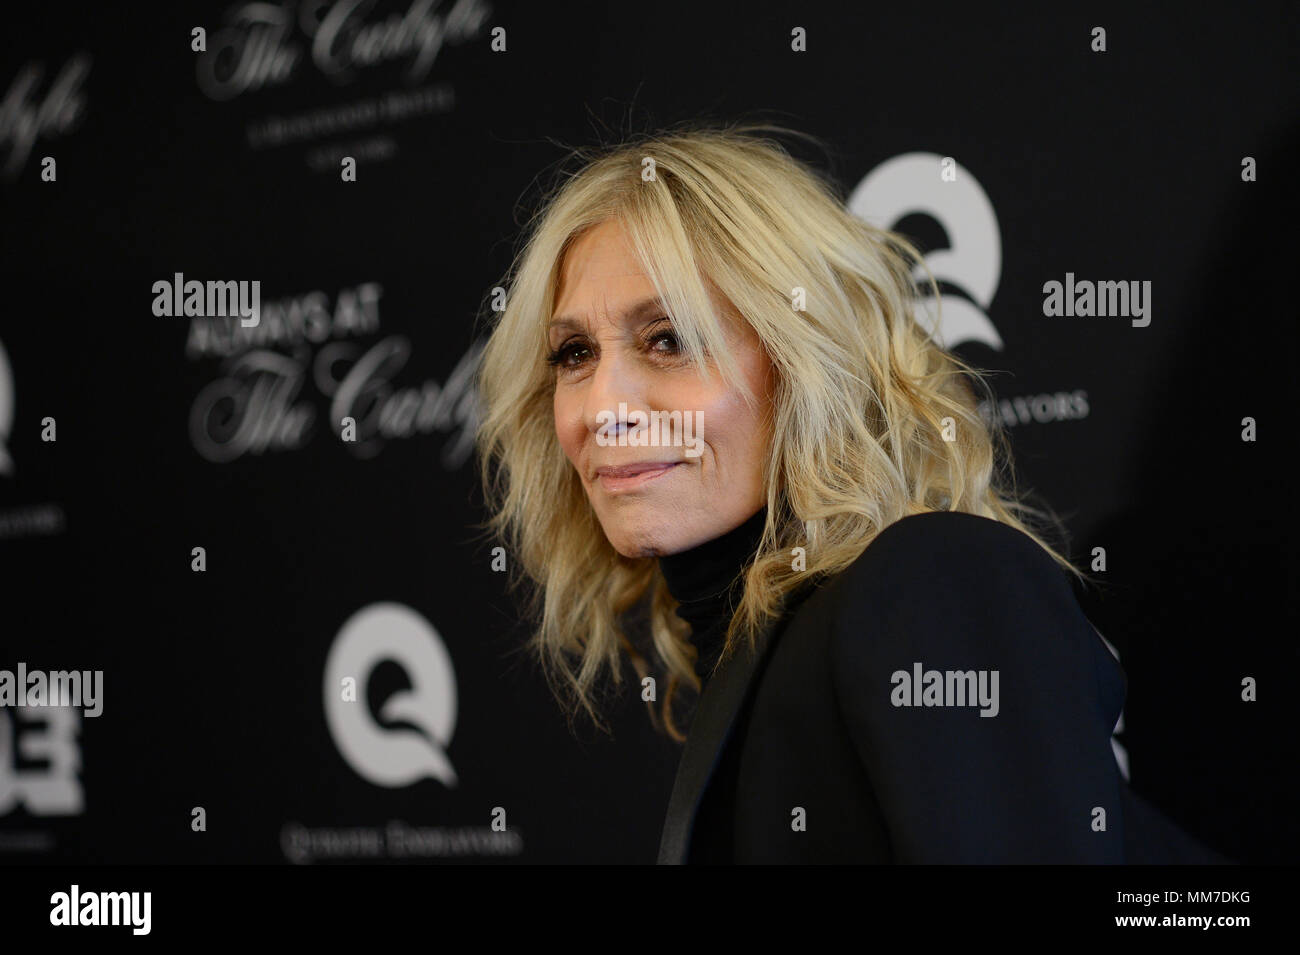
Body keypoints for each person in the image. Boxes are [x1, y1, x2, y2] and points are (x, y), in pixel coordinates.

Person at [474, 122, 1227, 864]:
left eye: (669, 338)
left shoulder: (929, 583)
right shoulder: (758, 657)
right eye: (574, 353)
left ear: (804, 365)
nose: (604, 406)